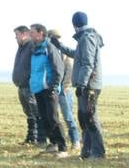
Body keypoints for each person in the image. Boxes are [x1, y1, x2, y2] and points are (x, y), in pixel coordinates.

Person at [53, 11, 105, 159]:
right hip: (88, 84)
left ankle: (98, 152)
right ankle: (87, 151)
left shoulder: (87, 38)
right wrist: (61, 46)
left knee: (90, 118)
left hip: (89, 85)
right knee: (84, 118)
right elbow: (78, 55)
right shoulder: (86, 37)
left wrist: (81, 84)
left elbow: (88, 63)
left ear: (74, 25)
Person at [27, 24, 70, 158]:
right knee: (44, 118)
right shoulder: (34, 49)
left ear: (40, 34)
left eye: (32, 32)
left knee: (53, 118)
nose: (30, 35)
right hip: (38, 88)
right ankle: (53, 144)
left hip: (49, 89)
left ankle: (63, 148)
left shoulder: (49, 48)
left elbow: (59, 69)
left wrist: (53, 86)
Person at [50, 30, 81, 151]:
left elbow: (69, 73)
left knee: (68, 117)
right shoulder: (50, 52)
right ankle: (56, 142)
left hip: (63, 91)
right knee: (54, 117)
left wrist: (64, 88)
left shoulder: (66, 55)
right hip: (54, 90)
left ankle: (75, 141)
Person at [12, 25, 40, 145]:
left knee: (35, 111)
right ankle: (31, 137)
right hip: (21, 85)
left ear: (24, 34)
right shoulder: (21, 47)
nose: (15, 37)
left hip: (29, 86)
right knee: (28, 112)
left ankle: (39, 137)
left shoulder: (31, 46)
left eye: (17, 34)